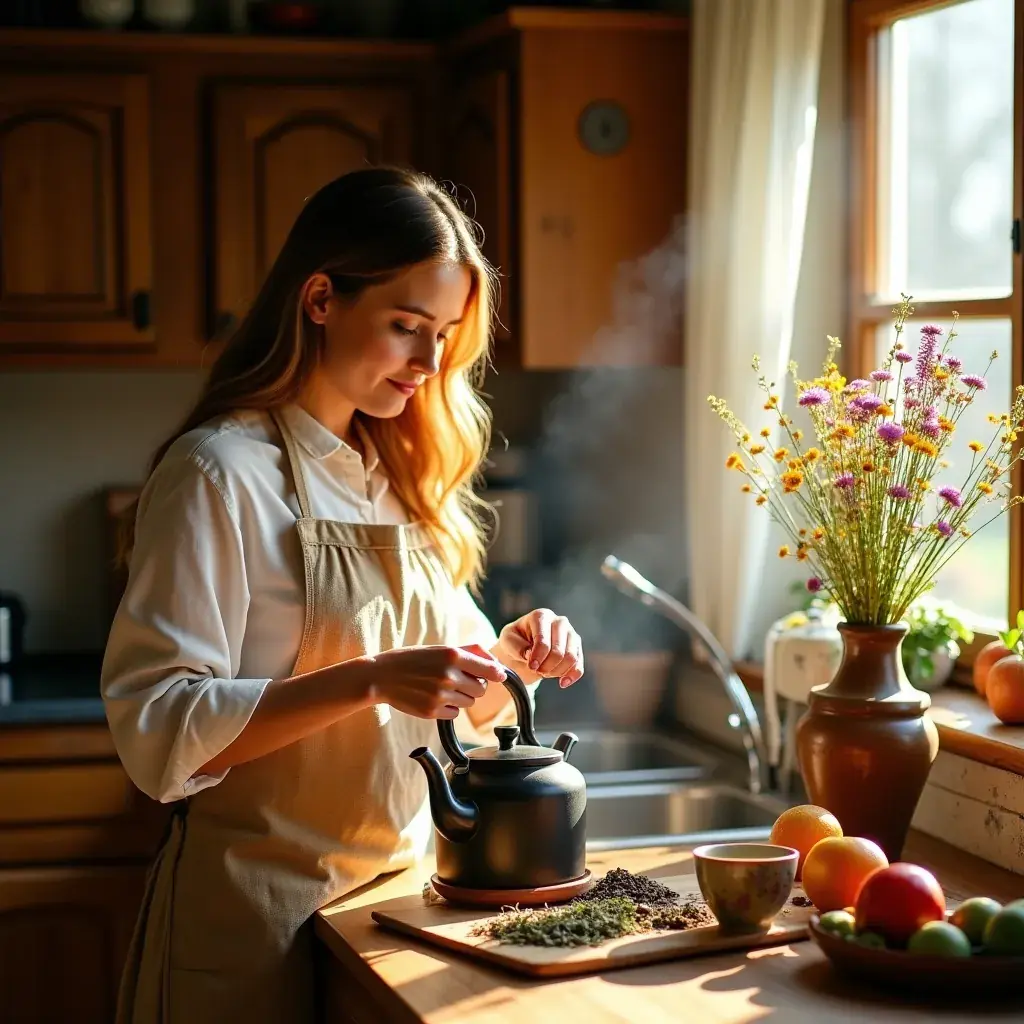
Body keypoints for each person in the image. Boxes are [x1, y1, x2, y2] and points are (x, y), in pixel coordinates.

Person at [101, 167, 585, 1024]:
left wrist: (517, 659)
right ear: (320, 298)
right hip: (253, 927)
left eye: (443, 334)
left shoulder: (397, 479)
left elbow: (456, 699)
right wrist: (368, 679)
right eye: (406, 327)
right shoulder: (218, 473)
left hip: (391, 919)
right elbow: (156, 727)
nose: (431, 364)